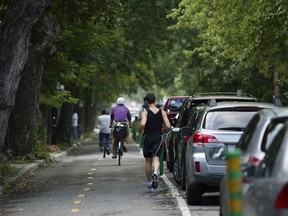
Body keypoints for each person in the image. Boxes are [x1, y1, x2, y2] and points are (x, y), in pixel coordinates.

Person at [136, 93, 171, 191]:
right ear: (154, 100)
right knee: (156, 159)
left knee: (148, 161)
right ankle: (155, 172)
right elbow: (168, 126)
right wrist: (163, 130)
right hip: (158, 137)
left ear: (147, 101)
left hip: (147, 137)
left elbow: (143, 123)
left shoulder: (145, 112)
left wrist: (139, 132)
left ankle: (149, 182)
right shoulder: (162, 112)